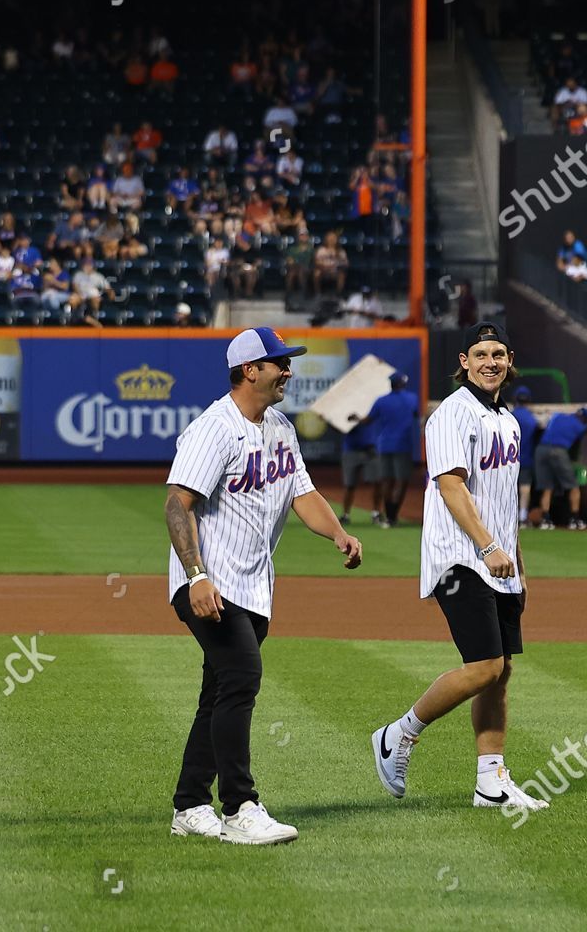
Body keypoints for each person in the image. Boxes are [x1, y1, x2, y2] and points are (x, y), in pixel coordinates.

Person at [164, 327, 362, 845]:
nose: (288, 371)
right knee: (242, 677)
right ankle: (240, 807)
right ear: (250, 369)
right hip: (209, 583)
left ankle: (189, 804)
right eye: (279, 362)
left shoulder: (278, 426)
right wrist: (197, 576)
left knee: (219, 691)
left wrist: (338, 534)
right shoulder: (214, 429)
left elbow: (303, 492)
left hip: (253, 585)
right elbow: (175, 504)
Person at [368, 322, 549, 817]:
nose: (490, 361)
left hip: (498, 561)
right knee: (485, 666)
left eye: (498, 353)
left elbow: (504, 500)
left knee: (501, 672)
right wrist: (489, 546)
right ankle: (398, 734)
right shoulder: (452, 413)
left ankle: (491, 781)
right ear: (464, 363)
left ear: (508, 359)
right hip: (460, 558)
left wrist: (518, 565)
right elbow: (451, 487)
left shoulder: (506, 419)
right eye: (480, 354)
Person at [351, 373, 419, 527]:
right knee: (402, 481)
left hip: (385, 444)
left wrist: (356, 418)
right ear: (403, 384)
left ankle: (388, 517)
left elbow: (368, 420)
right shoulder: (411, 398)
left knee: (387, 481)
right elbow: (417, 414)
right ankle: (393, 515)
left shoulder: (382, 401)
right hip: (403, 444)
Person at [534, 408, 587, 529]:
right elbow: (575, 448)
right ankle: (574, 519)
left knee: (547, 487)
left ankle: (545, 519)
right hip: (558, 451)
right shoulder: (581, 426)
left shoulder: (558, 416)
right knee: (573, 486)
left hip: (541, 450)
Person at [338, 413, 382, 527]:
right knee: (349, 484)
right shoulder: (346, 406)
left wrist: (358, 419)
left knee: (377, 482)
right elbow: (339, 426)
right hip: (351, 449)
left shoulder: (372, 404)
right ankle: (345, 514)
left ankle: (376, 513)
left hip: (371, 449)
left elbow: (376, 418)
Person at [510, 387, 539, 525]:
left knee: (509, 487)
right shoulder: (531, 419)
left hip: (508, 458)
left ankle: (510, 515)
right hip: (526, 457)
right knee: (525, 487)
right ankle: (522, 515)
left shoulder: (509, 415)